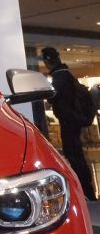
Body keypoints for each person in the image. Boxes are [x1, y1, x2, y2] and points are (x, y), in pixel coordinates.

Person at [40, 46, 97, 201]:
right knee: (76, 154)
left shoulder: (60, 77)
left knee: (74, 155)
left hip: (69, 121)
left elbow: (53, 97)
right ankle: (87, 189)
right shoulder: (65, 74)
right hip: (73, 120)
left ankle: (85, 190)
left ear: (47, 61)